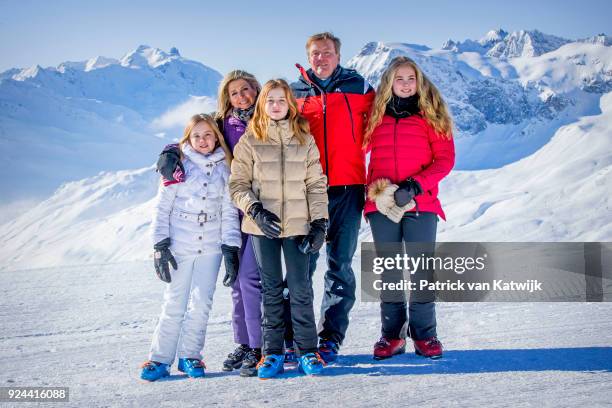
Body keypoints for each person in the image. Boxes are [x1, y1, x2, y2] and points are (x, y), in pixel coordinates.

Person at [156, 71, 264, 377]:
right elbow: (194, 136)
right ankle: (245, 343)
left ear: (257, 90)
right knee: (239, 283)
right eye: (234, 92)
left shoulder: (270, 117)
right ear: (226, 99)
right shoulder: (222, 122)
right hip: (232, 213)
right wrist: (169, 152)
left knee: (256, 281)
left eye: (246, 89)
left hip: (264, 210)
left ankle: (269, 345)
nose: (241, 96)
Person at [229, 79, 328, 379]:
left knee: (300, 288)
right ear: (262, 104)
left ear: (290, 104)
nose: (275, 105)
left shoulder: (304, 138)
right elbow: (237, 185)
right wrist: (254, 210)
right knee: (270, 289)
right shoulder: (250, 139)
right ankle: (271, 353)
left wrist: (320, 223)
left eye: (281, 100)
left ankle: (307, 351)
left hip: (299, 225)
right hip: (263, 228)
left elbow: (315, 184)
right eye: (270, 100)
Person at [289, 32, 375, 362]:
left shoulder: (359, 87)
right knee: (302, 266)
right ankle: (299, 337)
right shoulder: (294, 92)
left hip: (348, 189)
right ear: (307, 57)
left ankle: (331, 338)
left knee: (340, 266)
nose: (321, 58)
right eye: (315, 54)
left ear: (338, 55)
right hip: (307, 191)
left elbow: (391, 114)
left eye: (327, 53)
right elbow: (256, 128)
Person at [363, 56, 455, 360]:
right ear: (389, 82)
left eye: (410, 78)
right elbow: (354, 147)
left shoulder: (431, 116)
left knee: (420, 271)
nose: (405, 84)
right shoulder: (375, 117)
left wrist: (414, 186)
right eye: (399, 79)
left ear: (419, 81)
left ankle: (426, 335)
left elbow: (445, 160)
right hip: (382, 203)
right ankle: (391, 336)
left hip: (421, 202)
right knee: (389, 271)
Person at [141, 114, 242, 381]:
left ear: (217, 137)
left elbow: (229, 211)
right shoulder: (177, 165)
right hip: (180, 245)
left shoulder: (226, 167)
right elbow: (162, 208)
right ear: (188, 138)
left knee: (201, 304)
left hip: (211, 247)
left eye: (208, 134)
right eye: (196, 135)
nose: (202, 140)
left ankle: (191, 356)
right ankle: (159, 359)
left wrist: (231, 247)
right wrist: (160, 245)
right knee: (174, 302)